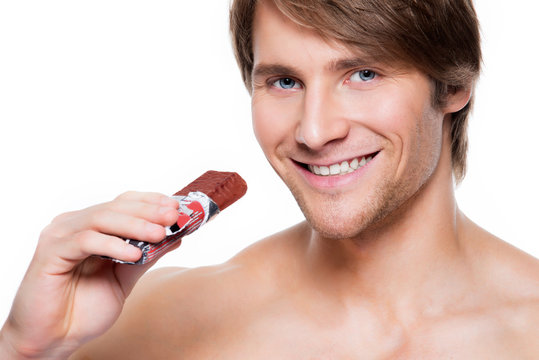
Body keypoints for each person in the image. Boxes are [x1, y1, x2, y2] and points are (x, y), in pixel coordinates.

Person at [1, 0, 538, 358]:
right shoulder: (164, 320)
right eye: (285, 81)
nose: (314, 129)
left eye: (364, 74)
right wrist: (24, 348)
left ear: (453, 85)